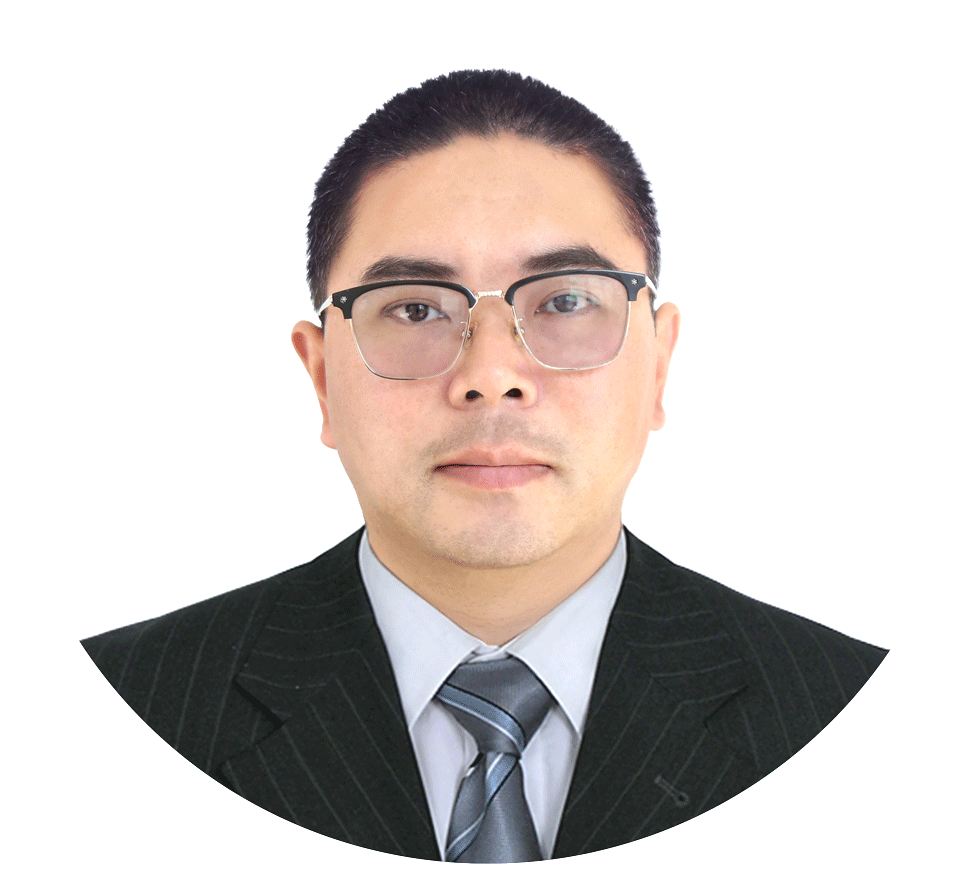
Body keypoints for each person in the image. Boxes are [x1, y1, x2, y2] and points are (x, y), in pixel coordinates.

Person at [81, 69, 887, 863]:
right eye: (415, 308)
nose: (491, 374)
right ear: (322, 377)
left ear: (658, 364)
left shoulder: (852, 713)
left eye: (565, 301)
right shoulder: (114, 709)